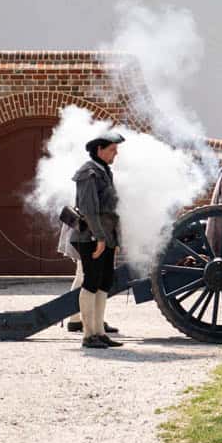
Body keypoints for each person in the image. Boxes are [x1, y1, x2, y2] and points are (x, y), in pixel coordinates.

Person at [70, 130, 125, 349]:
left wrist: (115, 240)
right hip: (91, 236)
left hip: (106, 235)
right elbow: (89, 210)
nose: (115, 154)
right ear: (99, 150)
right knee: (91, 282)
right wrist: (100, 238)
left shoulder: (103, 171)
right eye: (112, 150)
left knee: (104, 283)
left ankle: (99, 332)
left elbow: (111, 210)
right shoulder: (88, 172)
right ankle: (88, 334)